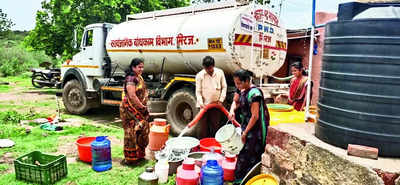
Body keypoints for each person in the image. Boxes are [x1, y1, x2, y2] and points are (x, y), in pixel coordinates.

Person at [229, 69, 269, 185]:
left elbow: (255, 116)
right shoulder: (241, 89)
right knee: (243, 154)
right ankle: (240, 180)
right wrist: (232, 110)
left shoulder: (254, 94)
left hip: (255, 129)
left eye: (239, 83)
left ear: (247, 80)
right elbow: (235, 102)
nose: (237, 86)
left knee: (250, 154)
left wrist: (245, 133)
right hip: (245, 126)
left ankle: (250, 180)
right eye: (236, 83)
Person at [120, 58, 150, 165]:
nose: (141, 69)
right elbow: (132, 96)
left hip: (139, 109)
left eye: (142, 66)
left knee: (142, 130)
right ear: (133, 67)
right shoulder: (131, 79)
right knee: (131, 133)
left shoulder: (139, 77)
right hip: (129, 110)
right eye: (139, 67)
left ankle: (140, 155)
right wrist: (142, 107)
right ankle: (131, 160)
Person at [195, 56, 227, 138]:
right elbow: (198, 92)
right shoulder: (199, 75)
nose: (208, 70)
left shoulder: (220, 73)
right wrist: (201, 104)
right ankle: (202, 145)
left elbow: (224, 87)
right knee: (202, 128)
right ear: (203, 67)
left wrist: (221, 100)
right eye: (206, 68)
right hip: (203, 106)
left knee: (215, 127)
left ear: (213, 65)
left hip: (216, 105)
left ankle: (213, 144)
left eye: (210, 68)